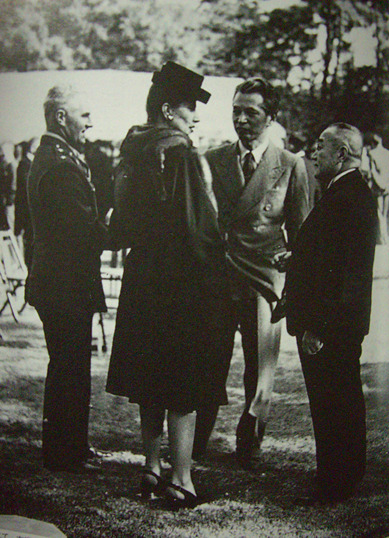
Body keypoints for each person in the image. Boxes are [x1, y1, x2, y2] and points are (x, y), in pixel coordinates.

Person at [106, 61, 228, 508]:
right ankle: (182, 480)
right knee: (182, 379)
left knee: (148, 375)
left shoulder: (132, 149)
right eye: (189, 106)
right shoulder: (181, 153)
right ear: (167, 109)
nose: (195, 116)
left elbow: (119, 225)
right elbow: (200, 228)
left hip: (143, 276)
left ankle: (151, 466)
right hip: (181, 279)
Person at [194, 77, 310, 468]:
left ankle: (249, 442)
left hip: (264, 281)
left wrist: (292, 281)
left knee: (259, 367)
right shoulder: (212, 160)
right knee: (209, 359)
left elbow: (301, 234)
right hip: (219, 278)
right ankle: (196, 438)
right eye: (236, 111)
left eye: (251, 112)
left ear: (270, 117)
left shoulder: (290, 165)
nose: (241, 120)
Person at [285, 123, 378, 504]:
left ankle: (335, 483)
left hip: (331, 326)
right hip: (335, 322)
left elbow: (347, 276)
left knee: (333, 404)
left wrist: (319, 327)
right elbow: (328, 257)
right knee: (338, 401)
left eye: (321, 145)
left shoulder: (348, 197)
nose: (313, 151)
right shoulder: (346, 193)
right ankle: (341, 477)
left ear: (341, 153)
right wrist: (295, 258)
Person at [26, 85, 108, 473]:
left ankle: (71, 446)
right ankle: (64, 453)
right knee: (68, 366)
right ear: (61, 117)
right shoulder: (60, 165)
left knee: (70, 364)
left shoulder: (55, 157)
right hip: (65, 283)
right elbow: (82, 230)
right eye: (84, 114)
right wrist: (117, 229)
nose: (90, 122)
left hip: (61, 280)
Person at [366, 133, 389, 244]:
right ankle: (384, 235)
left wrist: (381, 185)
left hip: (378, 187)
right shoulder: (388, 153)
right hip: (387, 187)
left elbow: (373, 172)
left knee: (379, 212)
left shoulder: (372, 154)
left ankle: (382, 236)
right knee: (384, 212)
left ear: (373, 143)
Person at [14, 137, 39, 269]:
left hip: (30, 213)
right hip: (28, 213)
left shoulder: (30, 164)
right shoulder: (25, 165)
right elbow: (23, 193)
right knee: (30, 246)